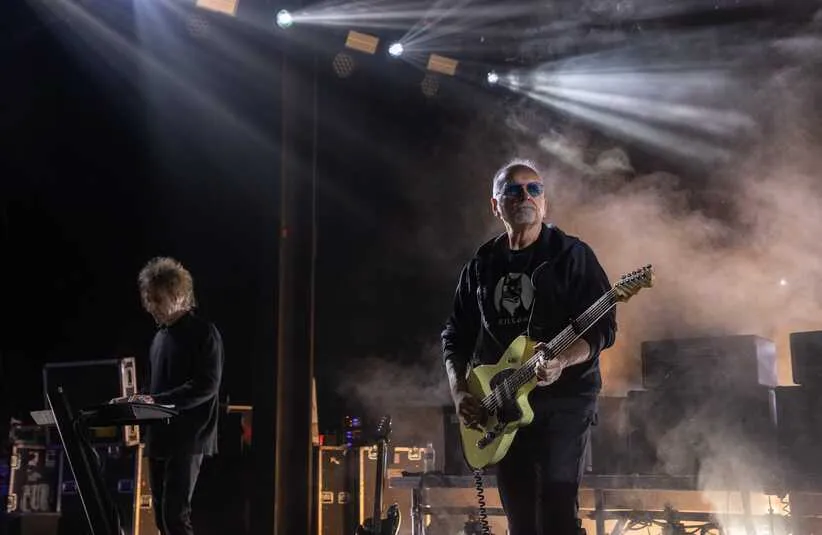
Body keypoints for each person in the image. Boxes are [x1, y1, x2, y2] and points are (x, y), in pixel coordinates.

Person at [441, 159, 617, 535]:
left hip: (564, 402)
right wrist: (459, 393)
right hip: (502, 406)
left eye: (534, 188)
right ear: (495, 204)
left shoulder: (571, 256)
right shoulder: (481, 265)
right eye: (513, 189)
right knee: (520, 517)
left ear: (544, 202)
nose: (525, 196)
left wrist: (562, 361)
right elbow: (455, 336)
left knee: (556, 512)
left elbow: (603, 329)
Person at [133, 257, 224, 535]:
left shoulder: (204, 333)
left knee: (175, 517)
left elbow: (206, 385)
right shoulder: (159, 337)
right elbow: (153, 387)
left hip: (187, 438)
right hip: (159, 438)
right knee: (161, 519)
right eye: (147, 299)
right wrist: (136, 401)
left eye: (156, 300)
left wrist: (157, 401)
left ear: (178, 295)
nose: (150, 307)